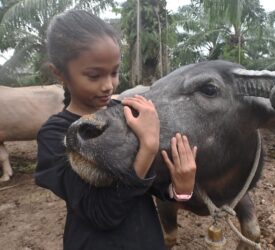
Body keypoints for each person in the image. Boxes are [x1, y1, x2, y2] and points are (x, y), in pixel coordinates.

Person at [35, 10, 197, 250]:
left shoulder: (126, 113)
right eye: (94, 75)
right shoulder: (57, 134)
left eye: (114, 72)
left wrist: (181, 187)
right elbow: (102, 214)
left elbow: (154, 185)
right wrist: (148, 148)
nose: (109, 85)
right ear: (59, 73)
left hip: (149, 241)